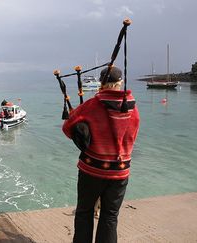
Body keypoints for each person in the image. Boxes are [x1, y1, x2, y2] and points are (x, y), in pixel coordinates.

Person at [62, 66, 140, 243]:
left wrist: (83, 130)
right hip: (120, 172)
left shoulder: (91, 105)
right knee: (110, 217)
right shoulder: (132, 108)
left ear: (102, 84)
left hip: (92, 170)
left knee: (84, 213)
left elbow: (67, 129)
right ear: (120, 83)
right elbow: (132, 137)